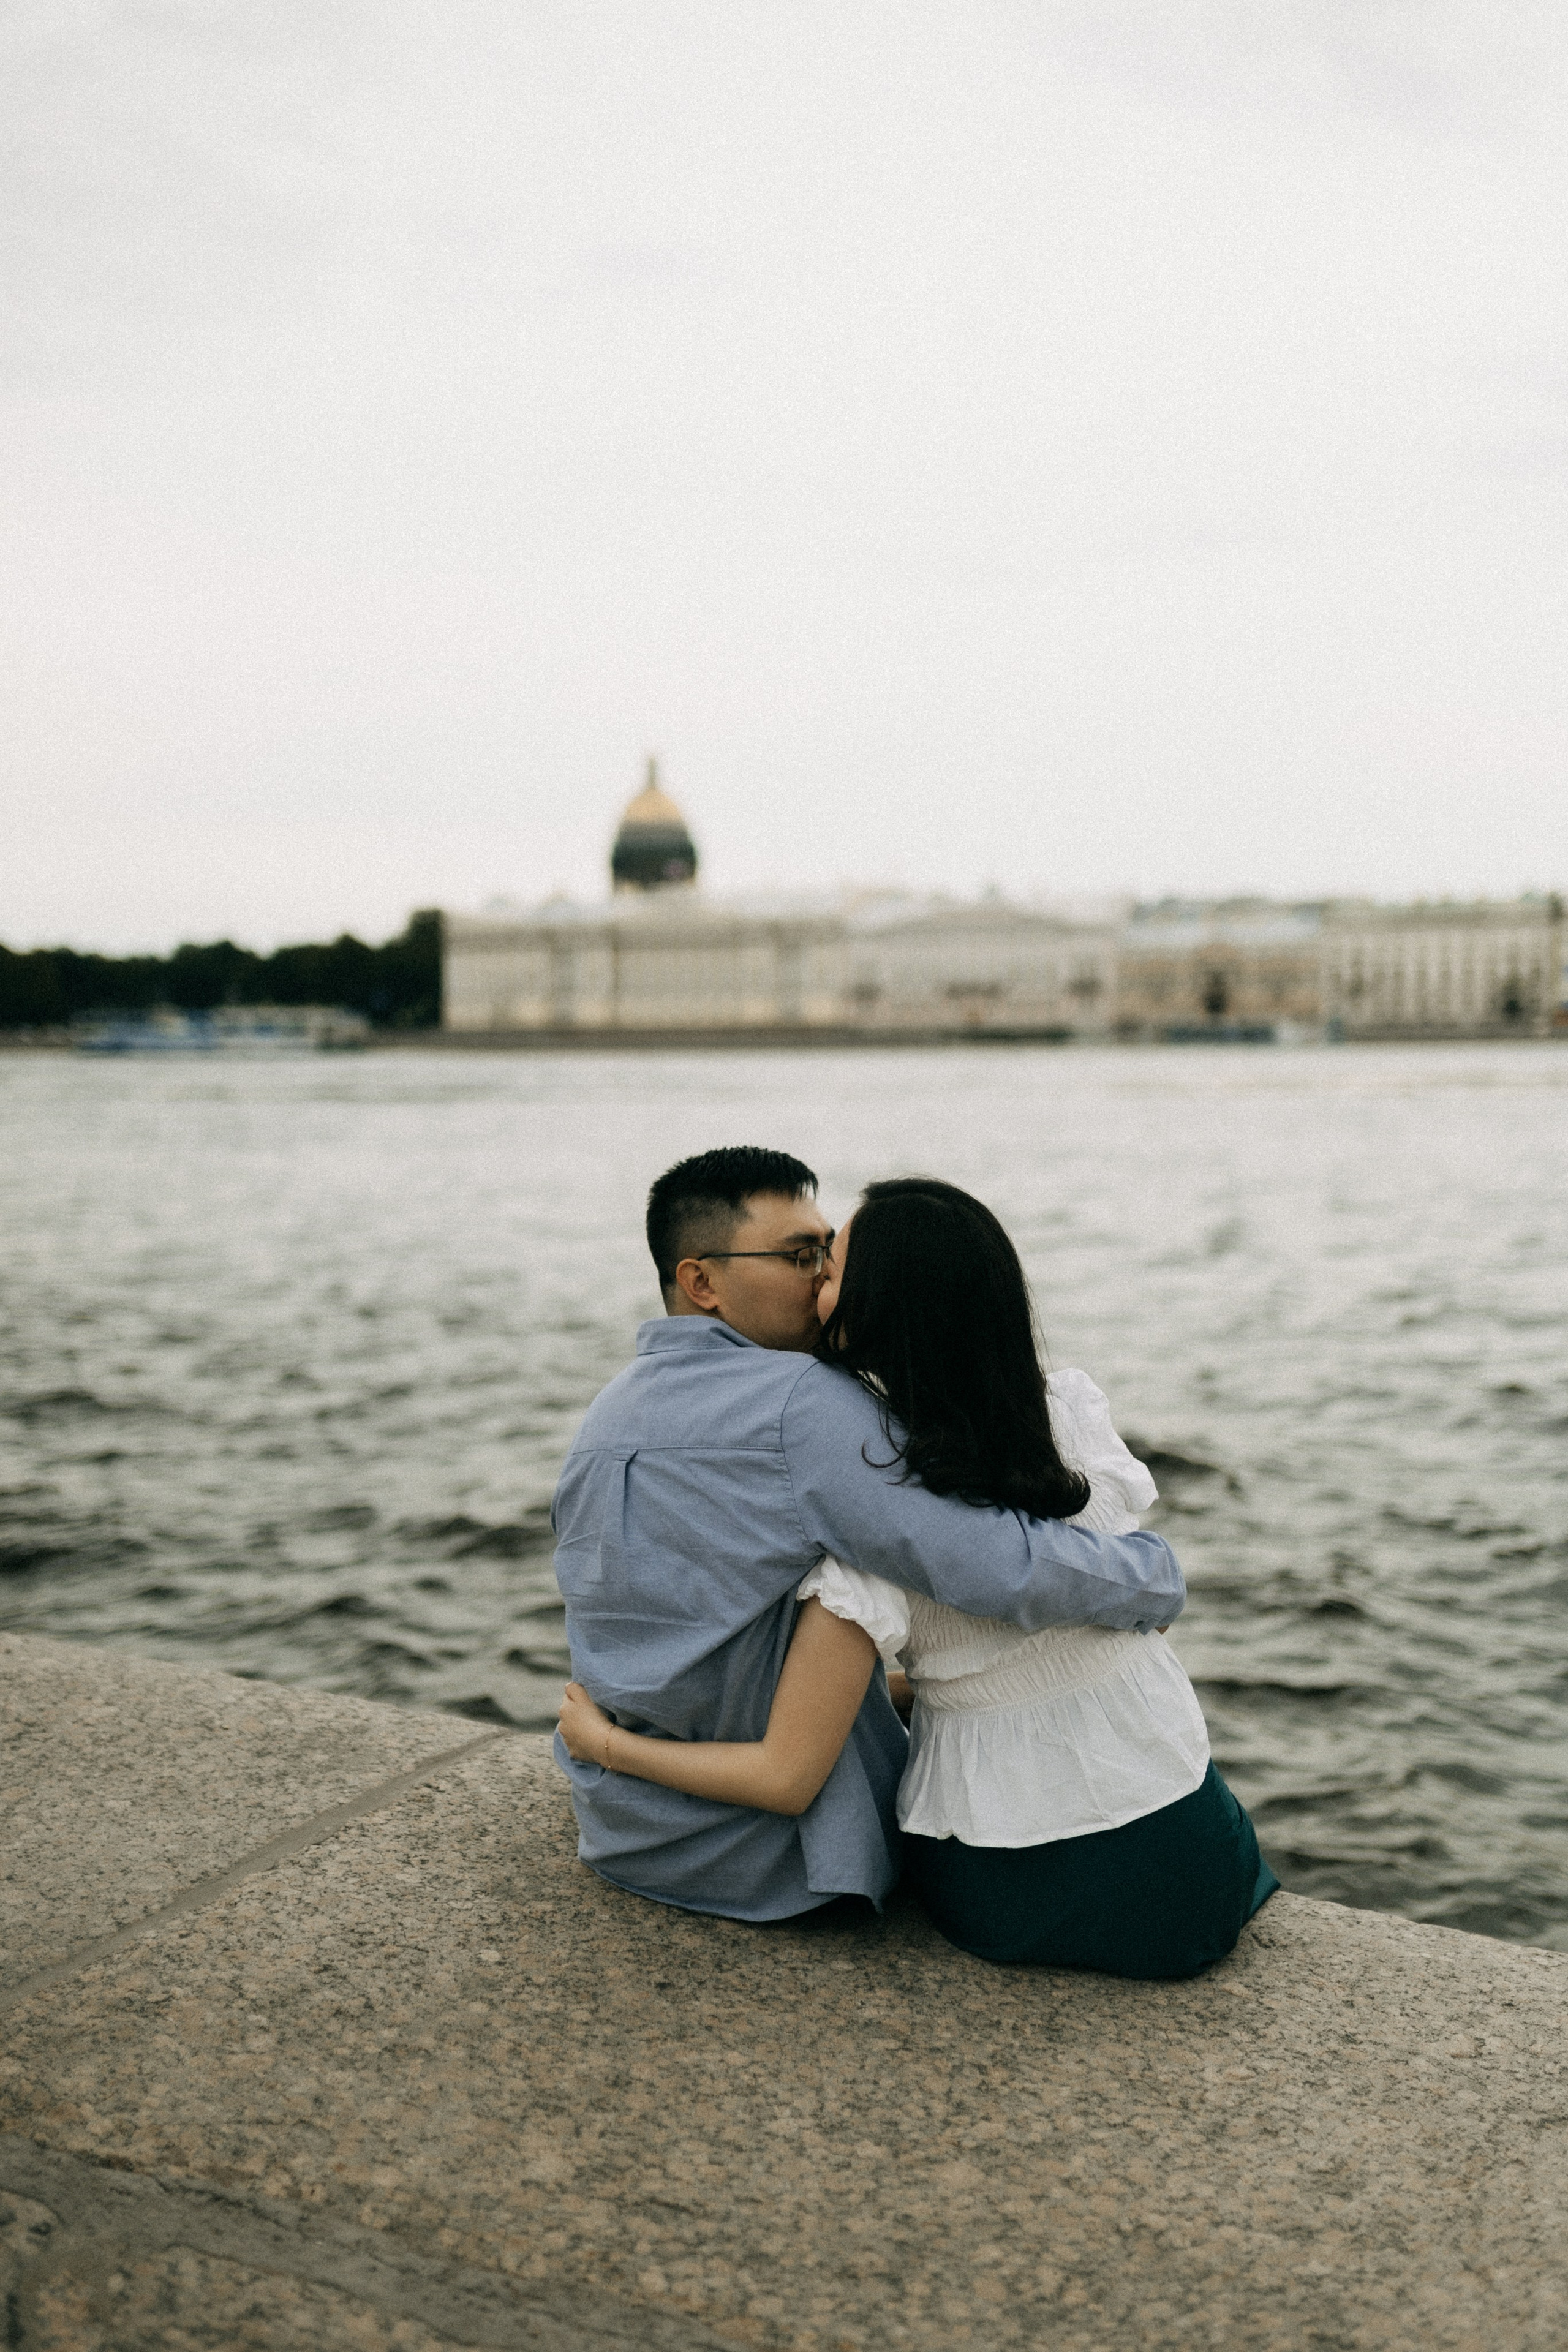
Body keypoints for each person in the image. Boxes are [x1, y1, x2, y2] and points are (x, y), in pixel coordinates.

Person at [559, 1177, 1278, 1978]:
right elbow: (1022, 1589)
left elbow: (789, 1770)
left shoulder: (617, 1418)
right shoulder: (1071, 1417)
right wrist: (1154, 1580)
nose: (814, 1280)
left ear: (873, 1307)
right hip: (1202, 1845)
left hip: (1014, 1880)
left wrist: (605, 1746)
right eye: (804, 1257)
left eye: (826, 1264)